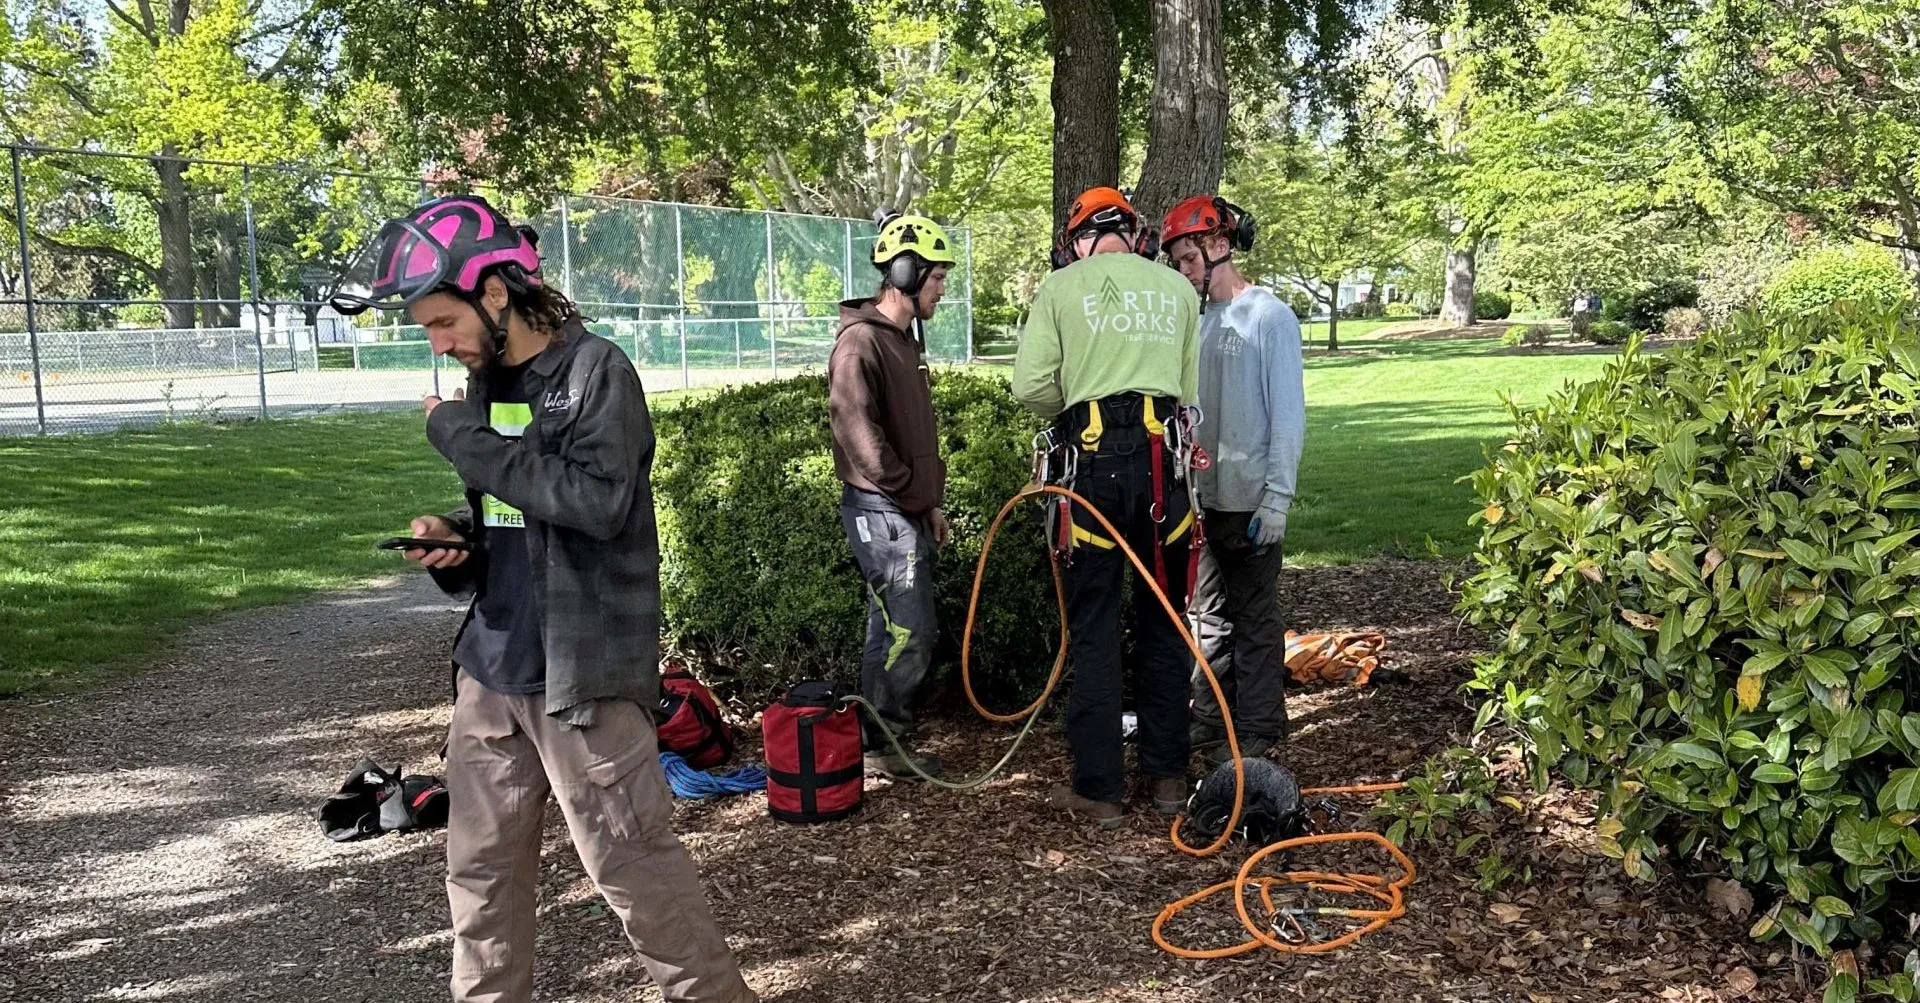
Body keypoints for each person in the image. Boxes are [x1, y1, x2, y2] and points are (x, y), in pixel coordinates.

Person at [328, 196, 756, 1003]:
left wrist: (458, 435)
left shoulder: (599, 373)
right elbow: (513, 511)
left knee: (640, 879)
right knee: (479, 882)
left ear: (495, 293)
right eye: (427, 328)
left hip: (581, 678)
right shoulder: (485, 385)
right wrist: (456, 543)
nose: (438, 343)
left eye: (442, 321)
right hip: (491, 672)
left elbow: (595, 504)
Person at [1012, 186, 1202, 827]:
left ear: (1079, 239)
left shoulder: (1060, 290)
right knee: (1166, 627)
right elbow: (1189, 391)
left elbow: (1032, 387)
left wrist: (1078, 398)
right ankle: (1170, 778)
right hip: (1162, 477)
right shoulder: (1176, 290)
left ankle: (1100, 790)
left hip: (1089, 475)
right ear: (1135, 234)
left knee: (1093, 630)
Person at [1161, 194, 1304, 768]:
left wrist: (1277, 498)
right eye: (1177, 263)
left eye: (1189, 260)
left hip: (1251, 501)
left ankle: (1261, 728)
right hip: (1203, 498)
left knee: (1256, 618)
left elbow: (1288, 414)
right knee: (1208, 619)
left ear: (1220, 245)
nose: (1184, 272)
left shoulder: (1269, 316)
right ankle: (1209, 718)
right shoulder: (1196, 322)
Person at [828, 211, 956, 780]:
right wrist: (910, 494)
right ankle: (884, 740)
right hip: (879, 512)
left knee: (890, 627)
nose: (943, 288)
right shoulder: (860, 344)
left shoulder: (903, 342)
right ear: (905, 273)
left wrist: (929, 503)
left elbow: (912, 434)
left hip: (902, 509)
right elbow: (859, 436)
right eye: (936, 277)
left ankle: (876, 742)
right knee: (913, 628)